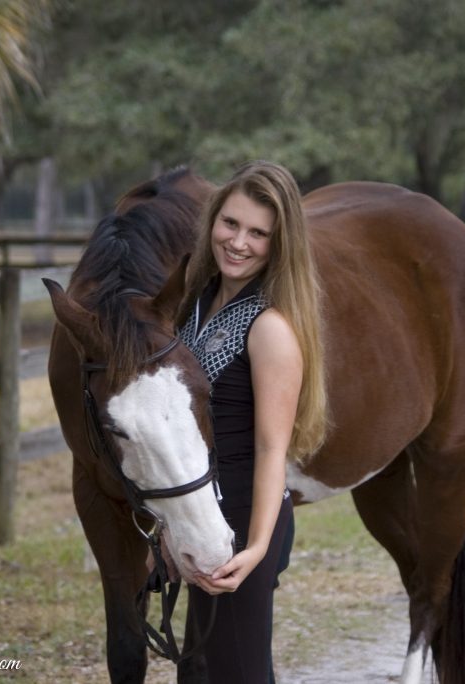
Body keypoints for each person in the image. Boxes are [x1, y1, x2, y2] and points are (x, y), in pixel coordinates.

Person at [177, 161, 327, 682]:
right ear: (213, 221)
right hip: (200, 513)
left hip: (244, 520)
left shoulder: (270, 328)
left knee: (239, 673)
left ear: (279, 244)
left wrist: (257, 549)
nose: (239, 242)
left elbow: (271, 449)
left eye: (259, 233)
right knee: (198, 671)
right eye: (231, 223)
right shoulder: (194, 304)